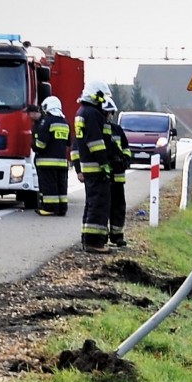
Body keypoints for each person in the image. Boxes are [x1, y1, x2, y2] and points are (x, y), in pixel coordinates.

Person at [70, 80, 113, 254]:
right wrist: (105, 164)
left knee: (92, 203)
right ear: (96, 95)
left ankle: (87, 238)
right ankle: (94, 242)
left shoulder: (82, 112)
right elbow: (96, 142)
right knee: (99, 204)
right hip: (96, 167)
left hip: (88, 167)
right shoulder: (93, 113)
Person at [32, 96, 71, 216]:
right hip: (62, 161)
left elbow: (41, 144)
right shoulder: (65, 122)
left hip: (46, 161)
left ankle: (49, 208)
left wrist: (34, 145)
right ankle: (62, 208)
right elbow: (69, 142)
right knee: (61, 185)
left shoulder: (46, 121)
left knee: (49, 185)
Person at [101, 98, 131, 247]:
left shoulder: (117, 130)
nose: (109, 116)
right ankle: (102, 235)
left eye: (110, 113)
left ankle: (117, 235)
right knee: (103, 207)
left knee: (118, 207)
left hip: (118, 178)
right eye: (107, 113)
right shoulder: (96, 129)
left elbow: (126, 148)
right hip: (103, 177)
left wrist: (125, 160)